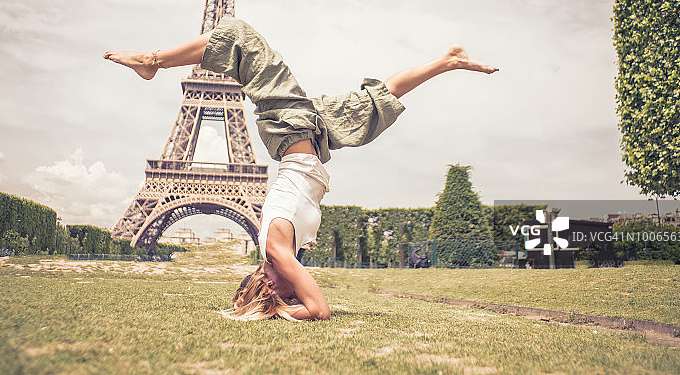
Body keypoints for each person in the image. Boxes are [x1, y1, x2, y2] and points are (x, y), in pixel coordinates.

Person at [104, 17, 498, 321]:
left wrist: (275, 308)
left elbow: (319, 310)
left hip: (291, 128)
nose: (294, 290)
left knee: (239, 35)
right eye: (293, 294)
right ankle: (448, 61)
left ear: (265, 282)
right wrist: (280, 308)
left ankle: (154, 61)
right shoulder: (288, 251)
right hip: (313, 133)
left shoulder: (277, 252)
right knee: (378, 100)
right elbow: (312, 305)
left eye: (284, 291)